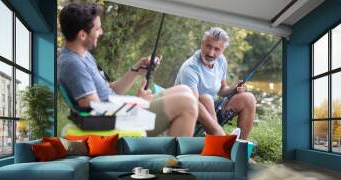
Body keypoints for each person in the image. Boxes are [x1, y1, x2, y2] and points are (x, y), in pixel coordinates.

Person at [58, 3, 198, 137]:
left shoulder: (83, 55)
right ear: (82, 35)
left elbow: (109, 91)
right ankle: (169, 161)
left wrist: (136, 70)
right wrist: (137, 103)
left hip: (119, 111)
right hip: (117, 122)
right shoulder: (73, 64)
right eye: (97, 29)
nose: (101, 32)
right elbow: (94, 112)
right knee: (187, 104)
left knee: (185, 90)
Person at [175, 27, 256, 140]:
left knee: (249, 98)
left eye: (217, 49)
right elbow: (193, 103)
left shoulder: (221, 61)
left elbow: (222, 90)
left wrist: (234, 89)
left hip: (212, 111)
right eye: (208, 46)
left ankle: (239, 146)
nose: (211, 53)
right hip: (189, 113)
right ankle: (220, 140)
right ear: (202, 44)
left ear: (222, 50)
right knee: (206, 98)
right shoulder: (190, 68)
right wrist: (217, 129)